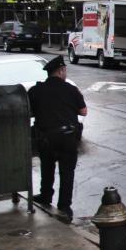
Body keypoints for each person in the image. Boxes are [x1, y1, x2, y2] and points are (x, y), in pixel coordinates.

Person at [28, 55, 87, 221]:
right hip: (67, 137)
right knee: (67, 172)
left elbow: (30, 111)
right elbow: (83, 112)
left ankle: (46, 195)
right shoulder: (71, 89)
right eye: (65, 70)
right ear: (61, 71)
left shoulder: (36, 90)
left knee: (47, 167)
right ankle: (64, 207)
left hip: (46, 137)